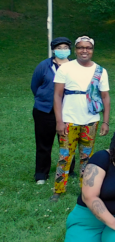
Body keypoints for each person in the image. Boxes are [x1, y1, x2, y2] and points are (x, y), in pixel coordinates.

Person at [52, 36, 111, 201]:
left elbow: (105, 97)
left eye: (88, 47)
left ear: (92, 50)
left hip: (91, 120)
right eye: (80, 47)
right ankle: (58, 189)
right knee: (65, 155)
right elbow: (57, 95)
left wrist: (105, 121)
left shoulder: (100, 71)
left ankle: (85, 189)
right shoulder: (65, 68)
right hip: (68, 120)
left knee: (87, 156)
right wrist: (59, 120)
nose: (84, 50)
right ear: (76, 50)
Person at [31, 37, 72, 185]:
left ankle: (69, 170)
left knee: (67, 142)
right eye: (59, 48)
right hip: (45, 110)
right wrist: (44, 99)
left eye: (65, 47)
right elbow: (35, 85)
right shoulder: (44, 65)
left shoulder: (74, 66)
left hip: (68, 110)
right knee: (44, 143)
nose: (62, 50)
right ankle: (41, 174)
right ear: (53, 49)